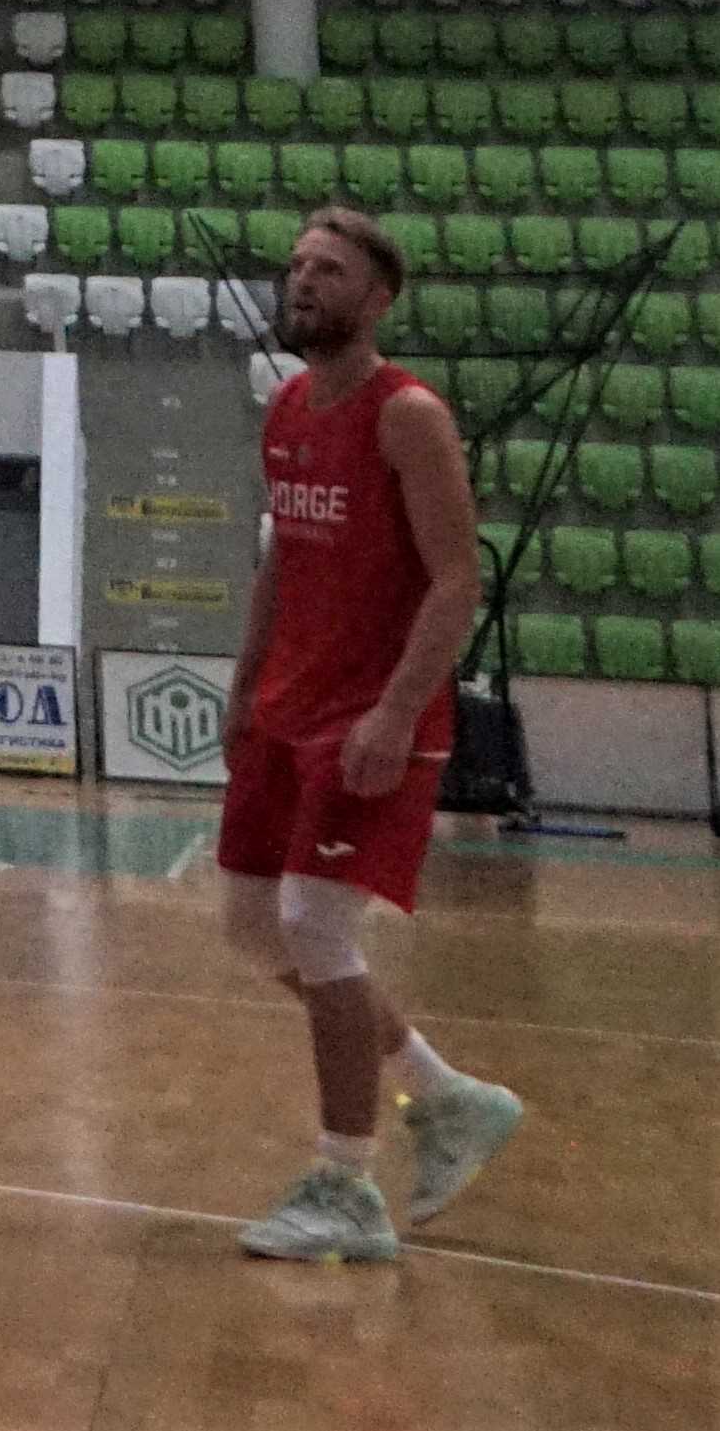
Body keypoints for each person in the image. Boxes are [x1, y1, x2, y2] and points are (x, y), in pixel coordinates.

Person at [218, 204, 521, 1263]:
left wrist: (398, 709)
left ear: (378, 296)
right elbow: (281, 560)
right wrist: (246, 681)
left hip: (372, 711)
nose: (303, 280)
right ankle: (446, 1094)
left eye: (329, 269)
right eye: (297, 264)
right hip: (288, 707)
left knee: (314, 923)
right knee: (255, 925)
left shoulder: (407, 415)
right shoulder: (289, 403)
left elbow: (456, 577)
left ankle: (346, 1179)